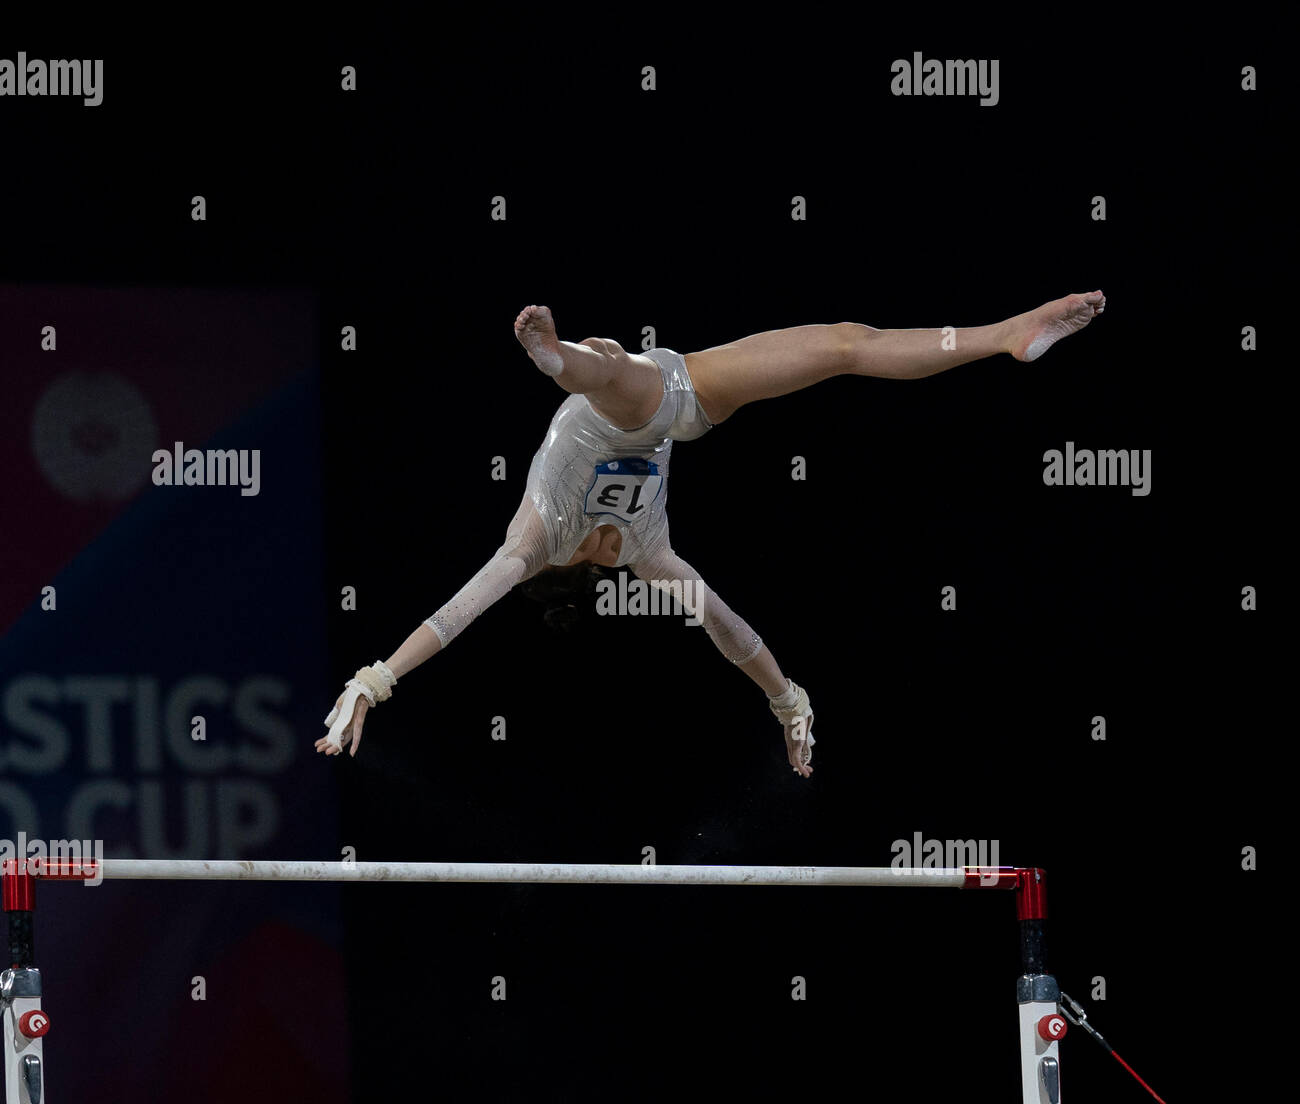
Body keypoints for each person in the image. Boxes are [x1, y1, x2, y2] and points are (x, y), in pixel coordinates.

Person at [316, 293, 1106, 777]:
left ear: (570, 567)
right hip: (644, 393)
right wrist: (788, 700)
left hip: (684, 388)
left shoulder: (534, 543)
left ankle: (1005, 334)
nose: (607, 550)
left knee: (841, 343)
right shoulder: (646, 554)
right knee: (613, 381)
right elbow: (732, 631)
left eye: (598, 556)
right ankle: (559, 359)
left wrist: (373, 680)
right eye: (606, 556)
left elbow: (459, 611)